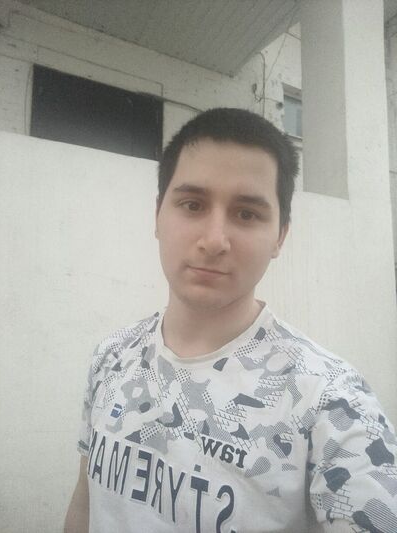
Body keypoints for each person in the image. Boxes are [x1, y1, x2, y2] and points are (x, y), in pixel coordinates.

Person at [64, 108, 397, 533]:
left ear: (280, 235)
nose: (214, 241)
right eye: (192, 205)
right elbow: (84, 503)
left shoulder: (332, 402)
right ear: (157, 215)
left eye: (246, 214)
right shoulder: (111, 357)